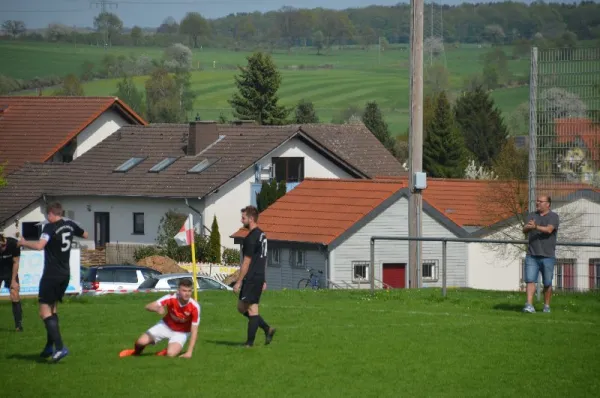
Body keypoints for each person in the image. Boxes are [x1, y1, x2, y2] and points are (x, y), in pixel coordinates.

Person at [18, 202, 88, 362]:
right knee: (52, 310)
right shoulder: (69, 224)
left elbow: (39, 246)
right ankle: (50, 347)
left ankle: (60, 347)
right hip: (65, 273)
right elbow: (85, 234)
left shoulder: (49, 228)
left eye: (46, 215)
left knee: (44, 311)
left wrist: (23, 242)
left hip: (51, 274)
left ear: (51, 213)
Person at [119, 278, 200, 358]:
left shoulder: (195, 307)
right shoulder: (170, 298)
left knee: (171, 354)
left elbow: (194, 330)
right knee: (140, 342)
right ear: (178, 291)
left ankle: (166, 351)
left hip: (182, 332)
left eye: (189, 291)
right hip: (165, 325)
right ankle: (135, 353)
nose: (187, 293)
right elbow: (148, 306)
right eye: (184, 291)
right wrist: (157, 309)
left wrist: (189, 352)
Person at [234, 206, 275, 347]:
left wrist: (239, 281)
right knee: (242, 307)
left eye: (243, 218)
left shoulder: (251, 238)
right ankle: (267, 328)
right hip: (258, 276)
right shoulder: (262, 235)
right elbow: (264, 258)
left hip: (251, 277)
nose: (241, 220)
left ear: (251, 219)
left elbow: (247, 261)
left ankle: (249, 344)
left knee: (251, 309)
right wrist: (263, 278)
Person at [522, 195, 560, 313]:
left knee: (547, 283)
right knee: (530, 280)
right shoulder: (532, 215)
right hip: (532, 254)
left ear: (548, 204)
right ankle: (529, 305)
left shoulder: (553, 216)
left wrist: (536, 227)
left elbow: (549, 230)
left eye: (540, 201)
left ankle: (546, 306)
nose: (537, 203)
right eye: (537, 201)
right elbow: (524, 230)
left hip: (548, 256)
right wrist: (528, 228)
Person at [0, 233, 23, 331]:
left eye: (2, 246)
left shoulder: (14, 244)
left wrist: (13, 280)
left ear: (4, 241)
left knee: (14, 294)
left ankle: (18, 325)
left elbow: (16, 262)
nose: (1, 248)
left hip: (10, 272)